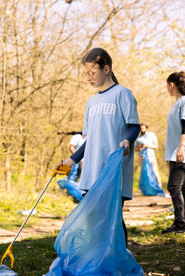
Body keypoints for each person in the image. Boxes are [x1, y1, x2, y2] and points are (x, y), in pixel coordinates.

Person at [56, 47, 140, 244]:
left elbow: (134, 127)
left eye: (92, 72)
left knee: (113, 220)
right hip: (91, 171)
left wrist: (128, 140)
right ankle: (95, 262)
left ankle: (117, 261)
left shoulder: (122, 94)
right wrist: (71, 160)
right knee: (92, 220)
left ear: (106, 69)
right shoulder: (91, 102)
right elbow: (90, 141)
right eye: (86, 73)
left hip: (113, 170)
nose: (88, 77)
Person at [161, 72, 185, 234]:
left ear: (172, 85)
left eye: (167, 86)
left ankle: (179, 224)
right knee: (181, 188)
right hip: (176, 150)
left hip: (183, 150)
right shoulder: (178, 102)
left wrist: (181, 147)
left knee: (173, 186)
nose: (167, 89)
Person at [135, 123, 162, 187]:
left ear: (146, 128)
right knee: (144, 172)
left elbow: (156, 146)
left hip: (151, 156)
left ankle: (159, 186)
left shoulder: (151, 135)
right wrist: (140, 147)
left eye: (143, 128)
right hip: (142, 156)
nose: (142, 130)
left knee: (154, 171)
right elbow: (135, 149)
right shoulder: (138, 137)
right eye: (141, 129)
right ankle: (146, 188)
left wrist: (148, 146)